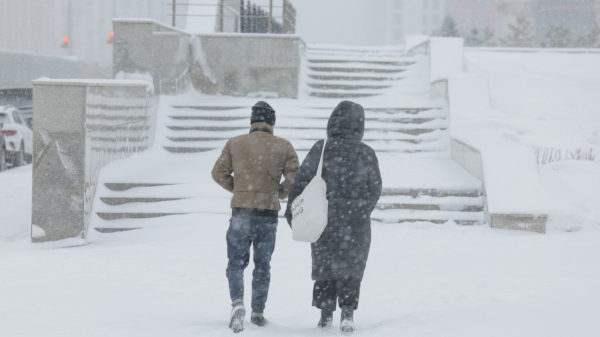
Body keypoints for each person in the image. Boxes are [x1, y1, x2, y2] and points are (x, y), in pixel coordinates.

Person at [285, 101, 382, 333]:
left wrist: (293, 213)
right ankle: (347, 313)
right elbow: (375, 189)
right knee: (351, 268)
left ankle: (325, 315)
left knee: (325, 267)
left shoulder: (321, 148)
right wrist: (359, 210)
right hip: (355, 225)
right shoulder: (366, 153)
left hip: (323, 220)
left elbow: (300, 183)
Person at [212, 101, 299, 333]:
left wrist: (240, 190)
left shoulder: (235, 143)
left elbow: (217, 173)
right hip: (267, 214)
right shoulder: (284, 146)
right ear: (272, 123)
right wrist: (276, 193)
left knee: (235, 263)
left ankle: (237, 303)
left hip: (241, 213)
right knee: (263, 265)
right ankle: (258, 313)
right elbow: (295, 179)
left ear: (252, 122)